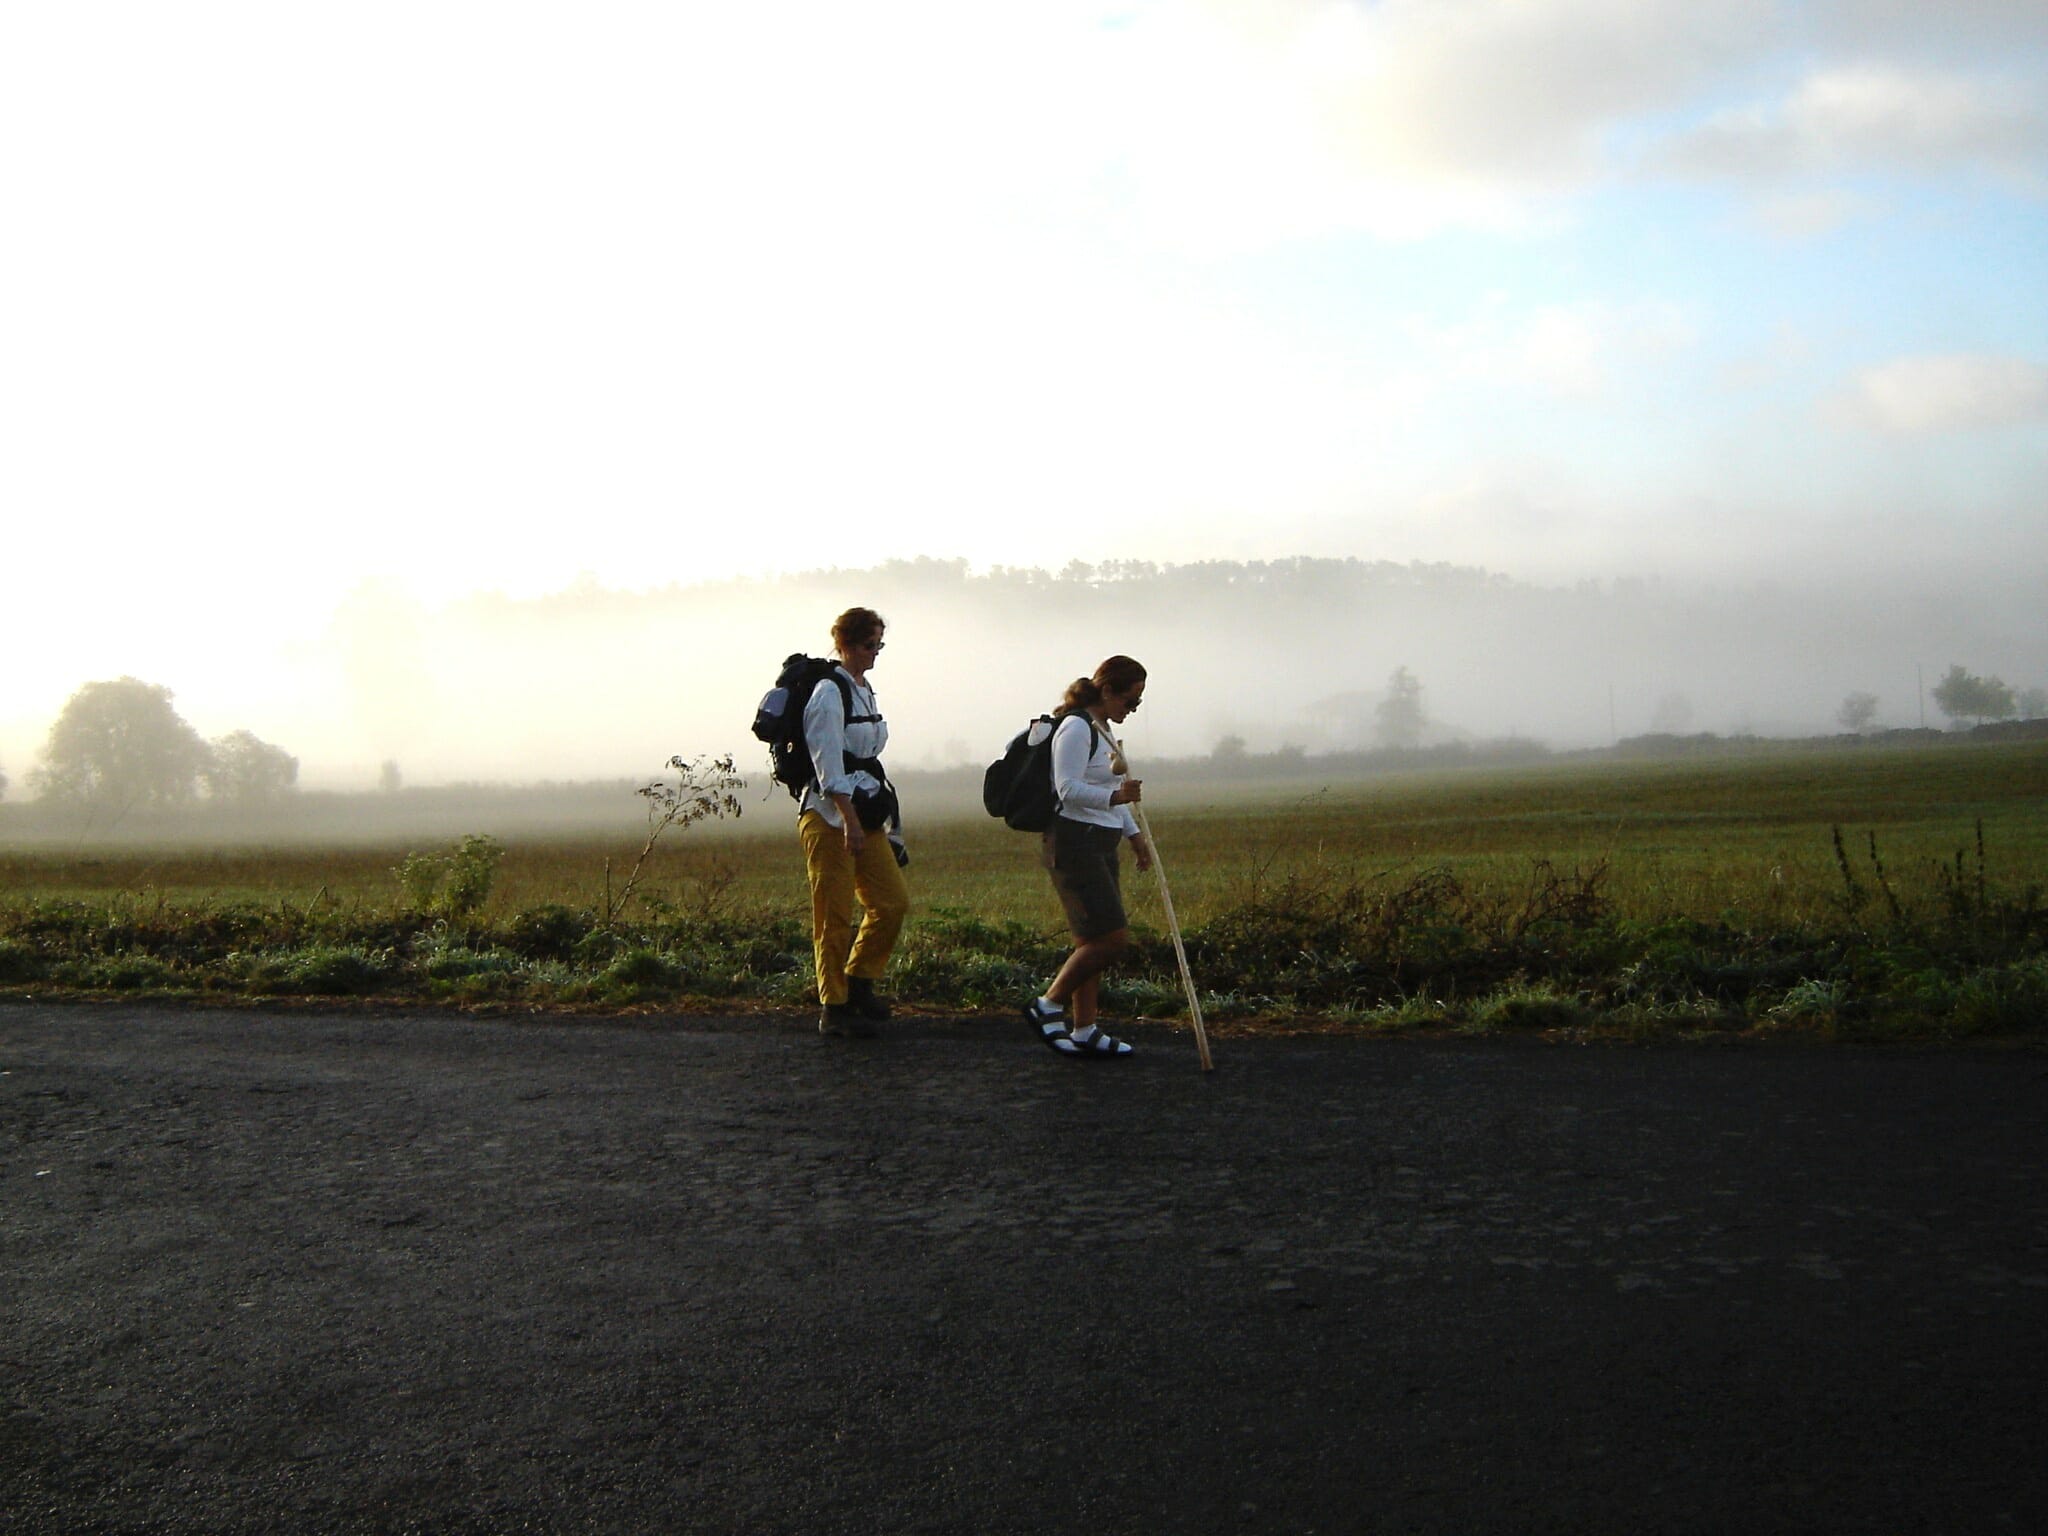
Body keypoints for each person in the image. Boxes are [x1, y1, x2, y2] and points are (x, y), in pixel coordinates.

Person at [1022, 656, 1153, 1058]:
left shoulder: (1103, 730)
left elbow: (1112, 798)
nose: (1132, 710)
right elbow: (1067, 789)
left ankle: (1085, 1029)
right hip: (1074, 842)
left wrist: (1135, 837)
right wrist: (1117, 795)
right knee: (1111, 939)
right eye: (1130, 701)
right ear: (1108, 690)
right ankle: (1047, 1004)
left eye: (1138, 704)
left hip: (1100, 842)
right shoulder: (1077, 727)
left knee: (1091, 941)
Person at [798, 607, 910, 1039]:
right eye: (869, 644)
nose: (875, 652)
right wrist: (848, 820)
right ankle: (834, 1007)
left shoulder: (864, 689)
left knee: (891, 902)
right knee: (834, 915)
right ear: (844, 644)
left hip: (863, 812)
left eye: (880, 644)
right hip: (829, 816)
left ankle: (860, 980)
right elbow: (827, 763)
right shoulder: (829, 692)